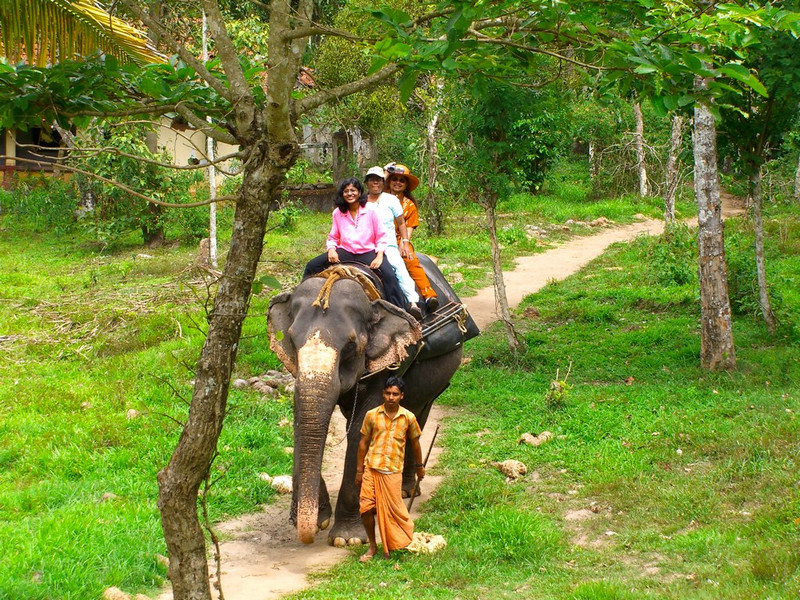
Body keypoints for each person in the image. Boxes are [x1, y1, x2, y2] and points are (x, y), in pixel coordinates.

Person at [303, 178, 407, 309]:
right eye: (346, 191)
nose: (349, 194)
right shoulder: (338, 213)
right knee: (312, 265)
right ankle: (304, 300)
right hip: (346, 252)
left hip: (368, 252)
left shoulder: (371, 210)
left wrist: (380, 256)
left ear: (359, 192)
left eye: (353, 190)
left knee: (390, 275)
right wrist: (331, 250)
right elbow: (333, 236)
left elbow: (381, 236)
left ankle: (398, 311)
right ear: (342, 194)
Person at [356, 376, 424, 562]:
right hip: (372, 467)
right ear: (383, 394)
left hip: (393, 470)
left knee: (393, 512)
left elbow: (415, 444)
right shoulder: (372, 415)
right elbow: (363, 443)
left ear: (402, 396)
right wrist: (359, 470)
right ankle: (372, 546)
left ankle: (394, 544)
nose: (391, 397)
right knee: (366, 508)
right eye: (388, 393)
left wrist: (419, 467)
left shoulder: (408, 418)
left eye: (395, 394)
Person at [364, 165, 423, 320]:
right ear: (366, 183)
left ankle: (412, 302)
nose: (375, 183)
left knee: (399, 269)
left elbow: (402, 223)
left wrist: (404, 242)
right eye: (371, 180)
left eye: (378, 180)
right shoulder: (361, 201)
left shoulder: (391, 200)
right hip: (367, 245)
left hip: (388, 244)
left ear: (383, 182)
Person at [383, 162, 440, 313]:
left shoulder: (409, 205)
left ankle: (428, 295)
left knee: (411, 261)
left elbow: (408, 229)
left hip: (398, 239)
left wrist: (404, 243)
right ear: (389, 180)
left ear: (406, 185)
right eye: (394, 179)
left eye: (402, 180)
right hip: (377, 238)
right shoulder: (380, 198)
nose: (397, 182)